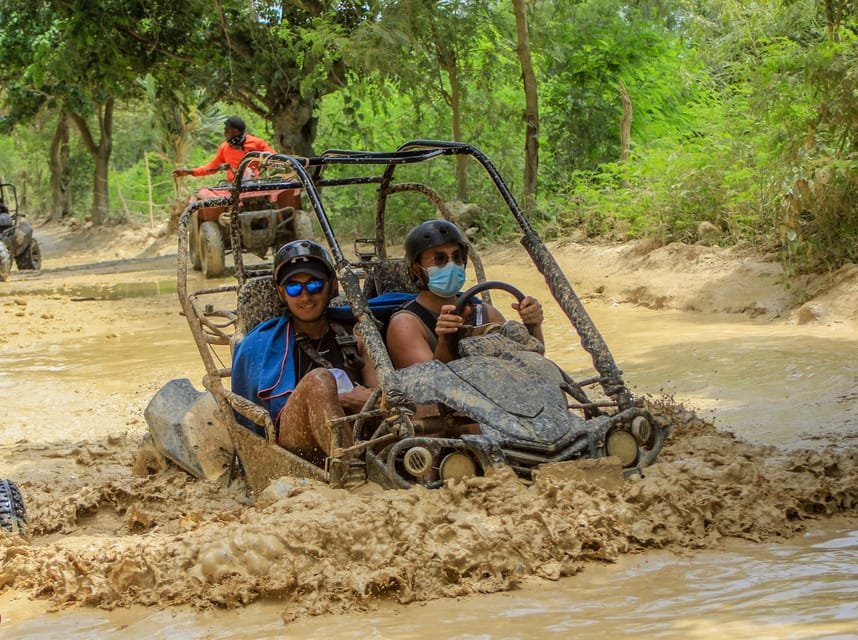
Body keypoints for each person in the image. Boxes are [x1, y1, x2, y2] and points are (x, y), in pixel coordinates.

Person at [231, 240, 378, 465]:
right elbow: (257, 420)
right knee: (319, 380)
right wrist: (336, 400)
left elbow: (381, 394)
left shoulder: (356, 334)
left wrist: (368, 401)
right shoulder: (261, 345)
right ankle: (352, 469)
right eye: (293, 288)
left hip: (361, 430)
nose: (305, 297)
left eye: (314, 286)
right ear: (282, 292)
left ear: (330, 286)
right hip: (296, 442)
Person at [386, 219, 545, 370]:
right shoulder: (405, 325)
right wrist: (445, 341)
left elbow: (531, 363)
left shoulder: (484, 313)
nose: (451, 265)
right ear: (416, 269)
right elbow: (428, 388)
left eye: (457, 257)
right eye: (439, 259)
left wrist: (534, 325)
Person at [172, 116, 276, 182]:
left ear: (235, 131)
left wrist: (266, 163)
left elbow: (273, 157)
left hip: (254, 184)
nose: (224, 133)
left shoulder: (257, 143)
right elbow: (213, 166)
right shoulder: (224, 147)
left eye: (227, 130)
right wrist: (190, 172)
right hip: (233, 186)